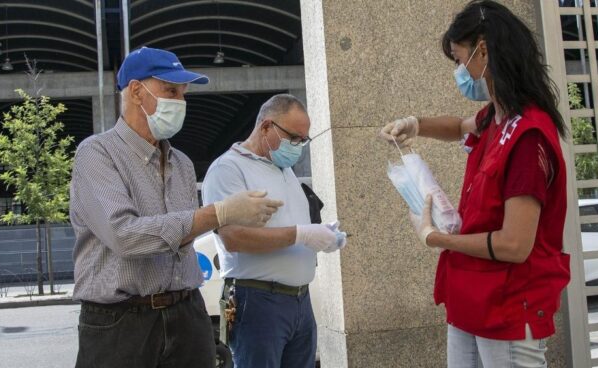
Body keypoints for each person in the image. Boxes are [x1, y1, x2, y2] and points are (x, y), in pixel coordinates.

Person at [379, 1, 570, 367]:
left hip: (509, 306)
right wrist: (414, 124)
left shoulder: (527, 137)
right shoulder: (498, 117)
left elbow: (514, 245)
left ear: (482, 49)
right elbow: (459, 126)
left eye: (458, 59)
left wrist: (435, 237)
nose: (459, 72)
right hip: (472, 300)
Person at [70, 47, 283, 368]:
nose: (180, 103)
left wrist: (233, 219)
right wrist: (217, 213)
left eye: (183, 95)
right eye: (170, 91)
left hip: (186, 312)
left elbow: (183, 236)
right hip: (120, 322)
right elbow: (124, 236)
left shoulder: (181, 163)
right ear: (137, 92)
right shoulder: (97, 155)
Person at [202, 94, 346, 368]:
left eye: (303, 140)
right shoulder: (228, 169)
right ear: (266, 127)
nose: (298, 146)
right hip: (257, 300)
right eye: (294, 138)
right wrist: (301, 234)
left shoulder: (284, 169)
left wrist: (320, 235)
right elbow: (232, 238)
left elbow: (289, 223)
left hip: (300, 300)